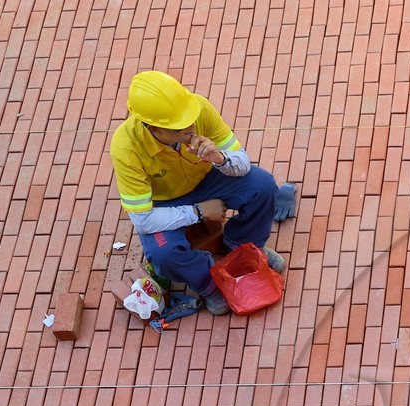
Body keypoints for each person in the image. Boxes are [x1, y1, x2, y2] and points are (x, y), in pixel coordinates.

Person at [110, 71, 295, 315]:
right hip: (165, 202)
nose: (191, 127)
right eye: (180, 128)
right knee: (163, 255)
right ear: (155, 129)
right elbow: (143, 220)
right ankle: (209, 284)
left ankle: (242, 245)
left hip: (207, 179)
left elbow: (242, 163)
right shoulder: (125, 148)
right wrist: (198, 212)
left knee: (263, 186)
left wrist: (219, 158)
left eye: (190, 119)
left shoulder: (198, 108)